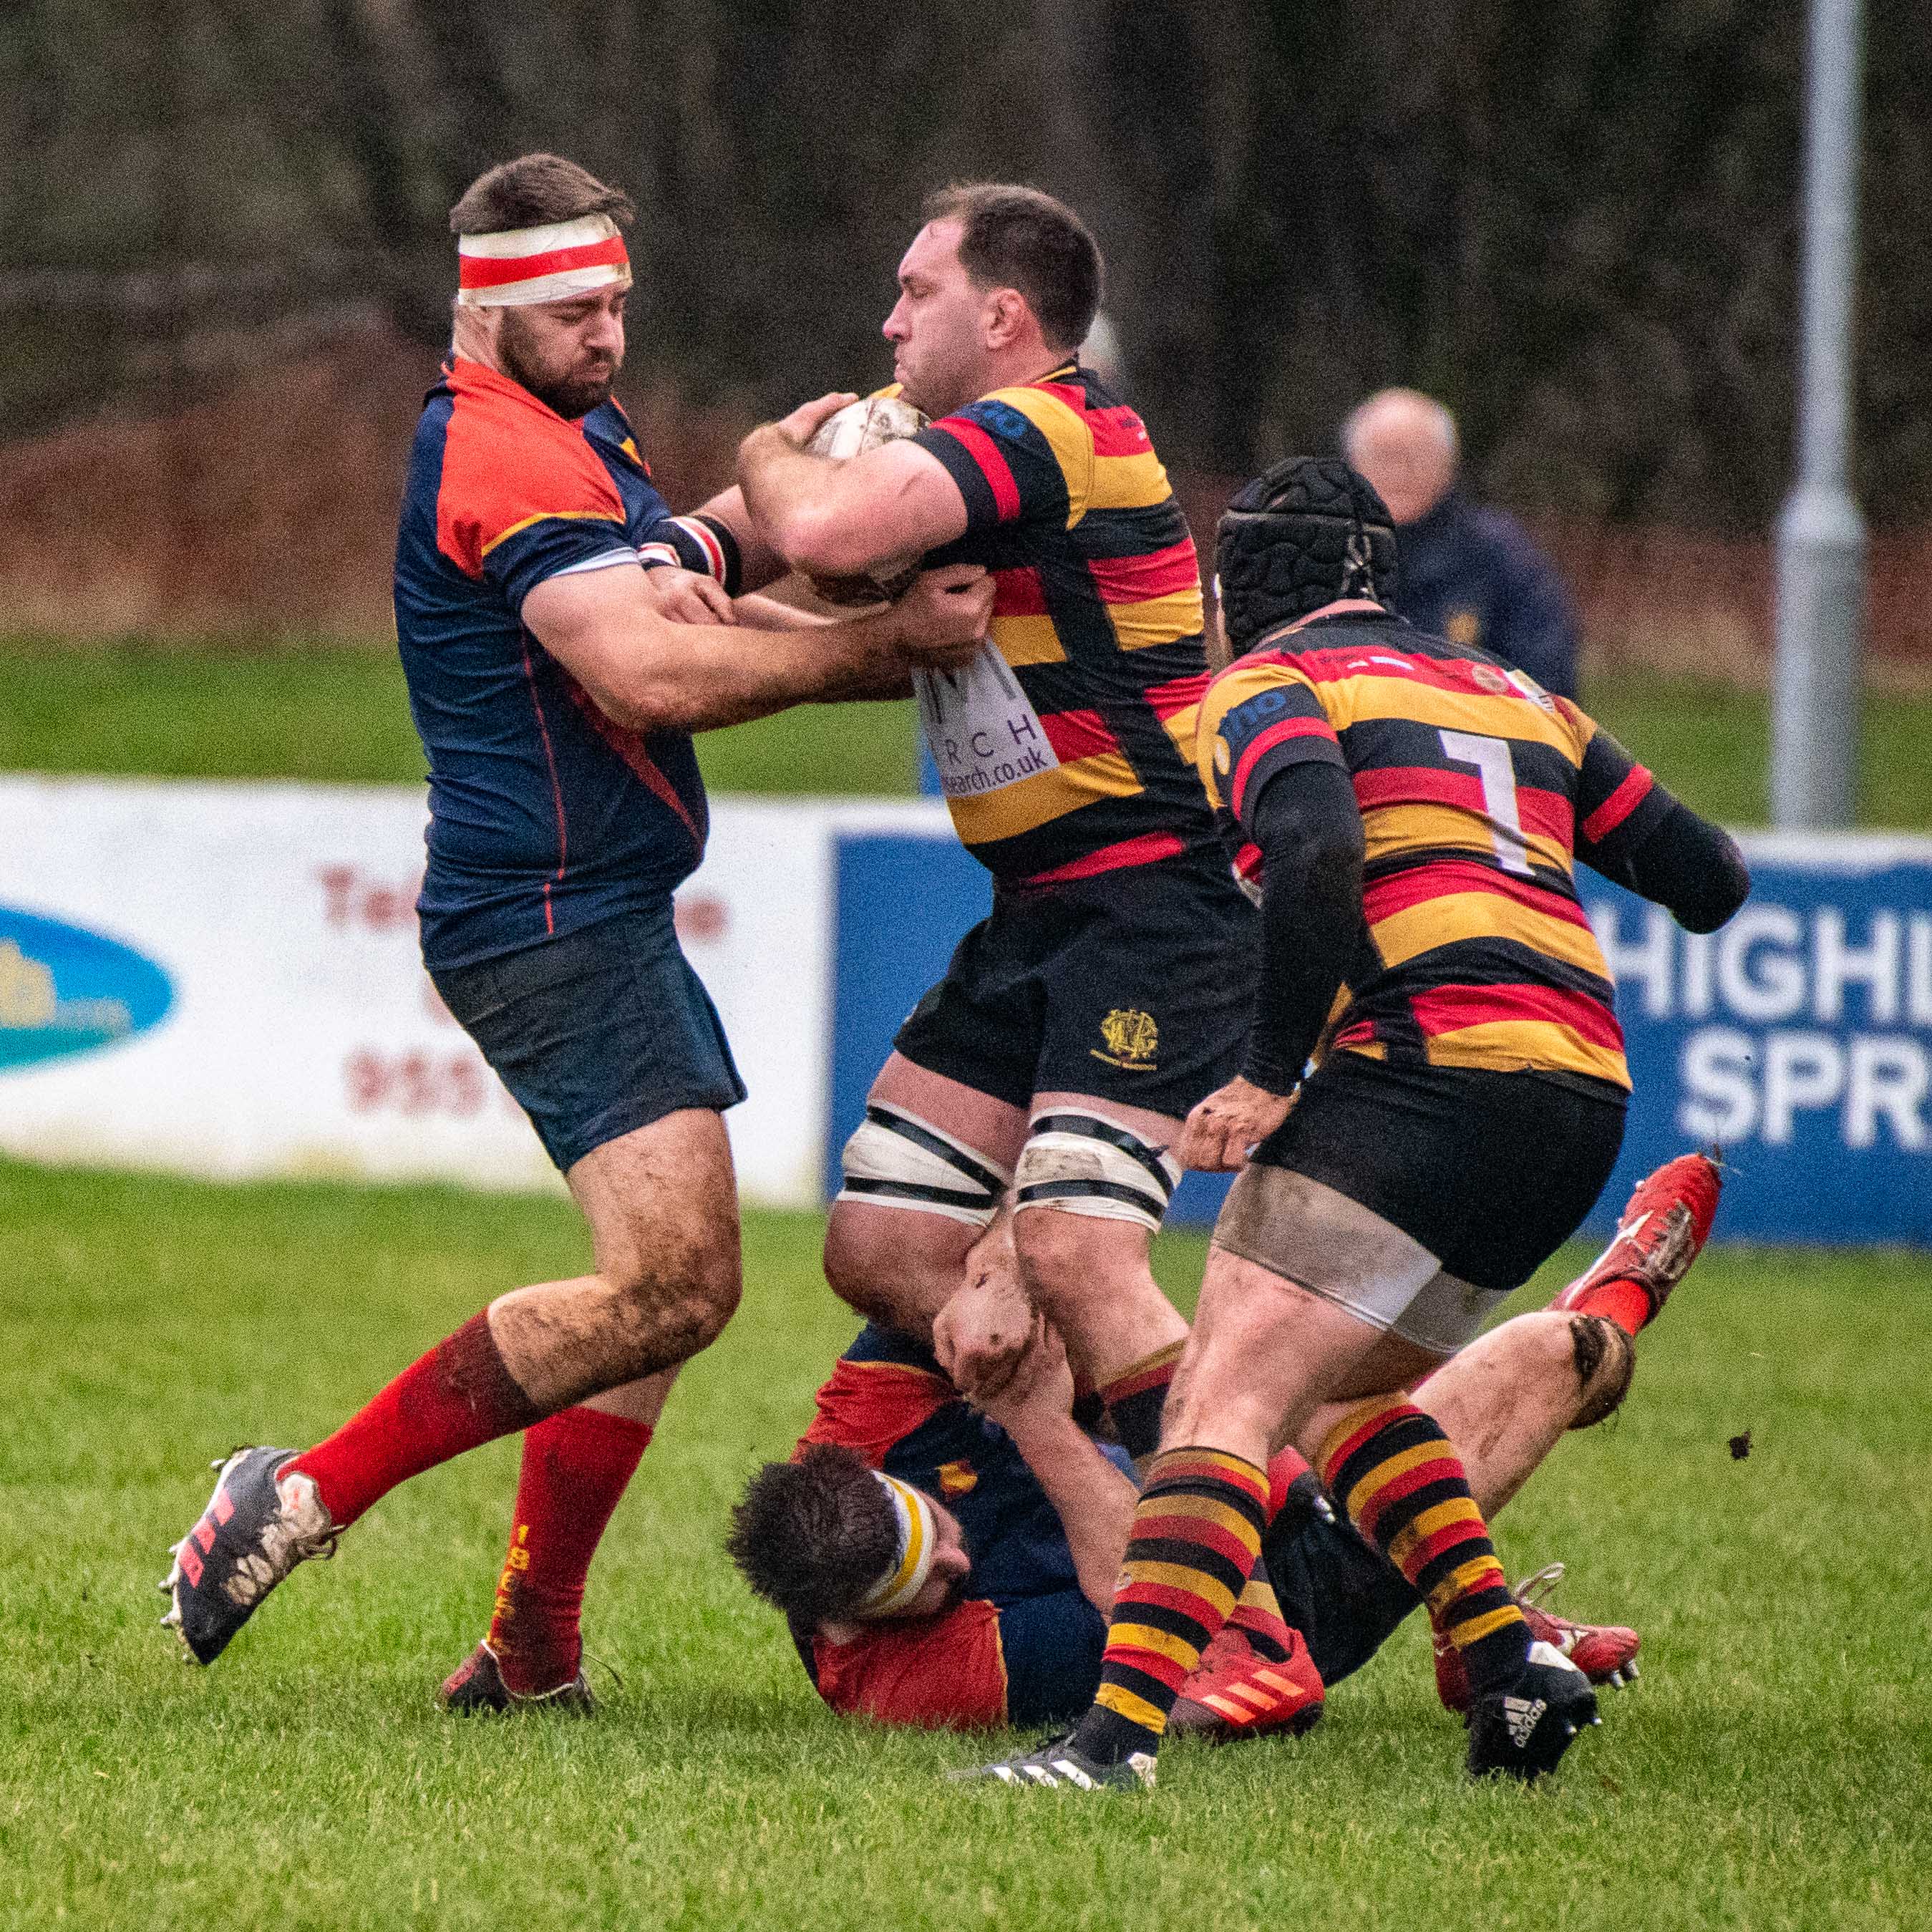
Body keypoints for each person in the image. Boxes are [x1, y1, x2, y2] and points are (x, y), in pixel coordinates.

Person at [160, 153, 994, 1679]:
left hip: (589, 904)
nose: (611, 334)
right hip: (544, 919)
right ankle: (295, 1495)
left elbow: (683, 571)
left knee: (660, 1291)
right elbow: (651, 673)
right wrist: (879, 645)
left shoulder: (562, 427)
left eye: (620, 300)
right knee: (674, 1280)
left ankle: (529, 1647)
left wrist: (810, 487)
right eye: (578, 309)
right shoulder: (498, 456)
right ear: (492, 310)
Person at [971, 455, 1750, 1791]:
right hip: (1573, 1097)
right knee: (1350, 1396)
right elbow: (1708, 876)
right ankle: (1507, 1665)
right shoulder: (1521, 696)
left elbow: (1318, 850)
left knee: (1222, 1391)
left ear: (1231, 593)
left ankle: (1108, 1746)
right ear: (1381, 579)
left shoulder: (1267, 684)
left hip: (1421, 1072)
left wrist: (1274, 1071)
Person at [733, 183, 1256, 1547]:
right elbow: (802, 542)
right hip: (1037, 909)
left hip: (1158, 902)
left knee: (1080, 1253)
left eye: (915, 291)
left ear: (1003, 315)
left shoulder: (1049, 425)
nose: (888, 318)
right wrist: (688, 559)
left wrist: (761, 455)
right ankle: (1142, 1490)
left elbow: (822, 532)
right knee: (884, 1251)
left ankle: (1246, 1582)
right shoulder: (983, 451)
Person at [728, 1152, 1719, 1737]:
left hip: (1234, 1442)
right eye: (934, 1582)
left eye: (934, 1527)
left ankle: (1471, 1619)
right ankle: (1612, 1295)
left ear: (857, 1465)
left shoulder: (862, 1421)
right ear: (855, 1622)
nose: (958, 1556)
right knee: (1561, 1353)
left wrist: (1003, 1263)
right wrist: (1031, 1414)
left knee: (1270, 1362)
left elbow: (1001, 1263)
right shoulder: (900, 1683)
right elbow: (1148, 1588)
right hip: (1272, 1602)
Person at [1343, 387, 1581, 700]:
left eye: (1414, 457)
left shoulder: (1503, 556)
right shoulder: (1322, 555)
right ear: (1352, 465)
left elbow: (1548, 683)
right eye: (1383, 457)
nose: (1398, 472)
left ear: (1448, 465)